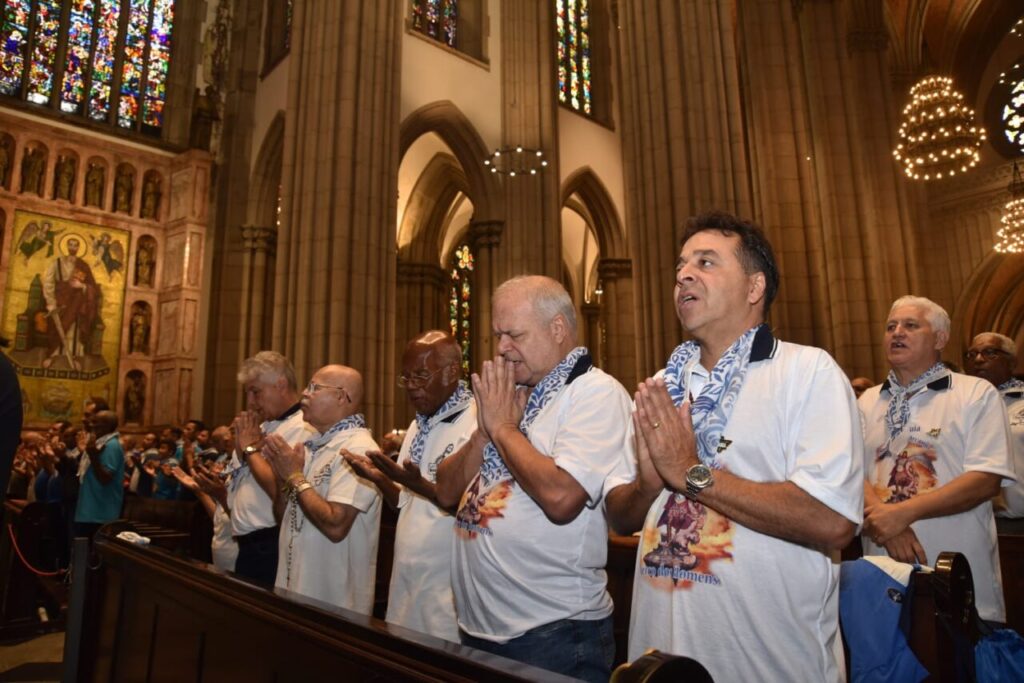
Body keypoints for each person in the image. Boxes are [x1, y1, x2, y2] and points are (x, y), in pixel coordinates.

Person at [605, 212, 863, 682]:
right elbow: (620, 517)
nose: (683, 274)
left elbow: (832, 521)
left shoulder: (806, 372)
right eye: (681, 265)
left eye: (706, 262)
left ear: (754, 287)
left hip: (766, 665)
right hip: (658, 661)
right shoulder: (663, 385)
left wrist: (689, 471)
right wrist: (646, 484)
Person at [436, 275, 632, 683]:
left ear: (557, 329)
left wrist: (504, 428)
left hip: (554, 635)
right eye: (497, 335)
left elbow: (561, 498)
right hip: (481, 630)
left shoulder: (594, 392)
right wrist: (485, 431)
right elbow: (446, 490)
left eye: (514, 334)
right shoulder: (509, 395)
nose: (502, 347)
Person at [860, 297, 1016, 623]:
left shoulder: (974, 393)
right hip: (880, 576)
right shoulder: (867, 401)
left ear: (940, 339)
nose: (896, 332)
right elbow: (849, 473)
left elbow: (984, 480)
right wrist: (889, 528)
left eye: (911, 325)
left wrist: (900, 515)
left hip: (957, 575)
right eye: (891, 326)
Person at [348, 331, 475, 641]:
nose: (413, 387)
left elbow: (469, 506)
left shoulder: (476, 422)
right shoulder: (420, 424)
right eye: (406, 378)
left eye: (421, 375)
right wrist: (381, 481)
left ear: (451, 372)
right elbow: (406, 502)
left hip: (447, 585)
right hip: (407, 578)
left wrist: (416, 484)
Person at [262, 364, 381, 613]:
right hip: (294, 587)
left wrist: (294, 476)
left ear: (341, 396)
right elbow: (284, 517)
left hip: (333, 599)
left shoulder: (359, 449)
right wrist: (281, 474)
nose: (304, 393)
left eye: (314, 388)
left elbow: (335, 525)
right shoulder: (311, 446)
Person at [228, 351, 312, 585]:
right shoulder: (265, 425)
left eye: (256, 392)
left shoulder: (302, 427)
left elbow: (280, 487)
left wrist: (249, 449)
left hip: (270, 541)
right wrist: (241, 447)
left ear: (280, 385)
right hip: (248, 543)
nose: (251, 402)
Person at [964, 332, 1024, 518]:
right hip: (974, 517)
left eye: (990, 352)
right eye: (972, 354)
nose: (979, 359)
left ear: (1011, 362)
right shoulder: (959, 405)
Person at [41, 237, 99, 370]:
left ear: (79, 248)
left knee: (73, 328)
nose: (73, 247)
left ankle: (72, 356)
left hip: (76, 302)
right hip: (59, 301)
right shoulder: (57, 263)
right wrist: (50, 302)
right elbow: (48, 283)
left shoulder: (83, 265)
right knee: (56, 326)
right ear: (66, 246)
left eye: (75, 245)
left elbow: (92, 287)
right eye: (70, 244)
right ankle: (52, 354)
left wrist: (83, 286)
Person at [74, 410, 126, 540]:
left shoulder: (111, 445)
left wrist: (93, 456)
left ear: (107, 425)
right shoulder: (100, 443)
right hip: (90, 511)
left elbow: (105, 478)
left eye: (96, 422)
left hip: (100, 513)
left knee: (92, 555)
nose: (91, 425)